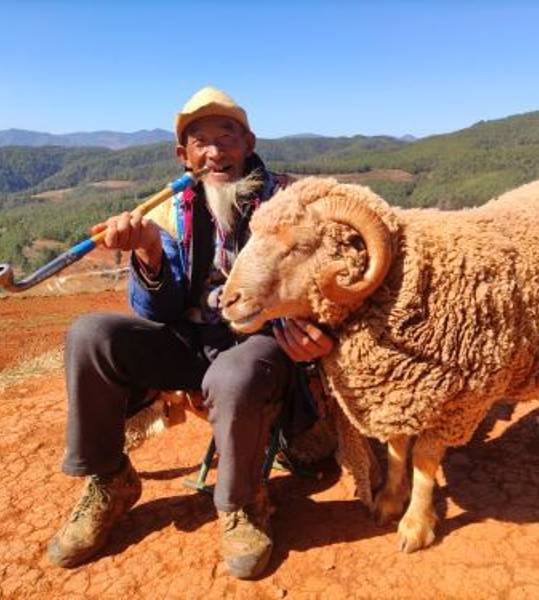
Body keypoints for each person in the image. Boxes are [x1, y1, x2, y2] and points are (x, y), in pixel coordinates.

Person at [47, 86, 334, 579]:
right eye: (200, 141)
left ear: (249, 143)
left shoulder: (291, 201)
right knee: (90, 335)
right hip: (190, 341)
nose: (215, 152)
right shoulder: (167, 212)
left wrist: (321, 334)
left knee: (233, 375)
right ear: (184, 156)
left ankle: (243, 502)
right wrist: (147, 252)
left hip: (259, 345)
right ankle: (110, 481)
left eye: (228, 136)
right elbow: (157, 310)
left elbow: (327, 282)